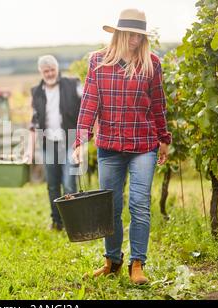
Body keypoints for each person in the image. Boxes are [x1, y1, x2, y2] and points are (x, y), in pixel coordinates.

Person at [73, 9, 171, 284]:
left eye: (140, 36)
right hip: (110, 146)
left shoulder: (152, 63)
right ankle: (112, 261)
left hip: (143, 144)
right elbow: (90, 102)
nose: (135, 41)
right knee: (111, 207)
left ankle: (137, 264)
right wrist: (80, 140)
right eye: (131, 35)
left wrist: (163, 138)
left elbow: (157, 104)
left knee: (140, 204)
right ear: (118, 33)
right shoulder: (98, 62)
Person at [30, 55, 82, 231]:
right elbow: (34, 121)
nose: (50, 73)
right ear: (41, 72)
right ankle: (57, 222)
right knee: (52, 184)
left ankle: (73, 223)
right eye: (46, 71)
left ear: (57, 69)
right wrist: (30, 150)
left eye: (52, 69)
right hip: (49, 143)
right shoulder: (36, 91)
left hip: (70, 141)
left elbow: (86, 107)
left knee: (69, 183)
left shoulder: (73, 84)